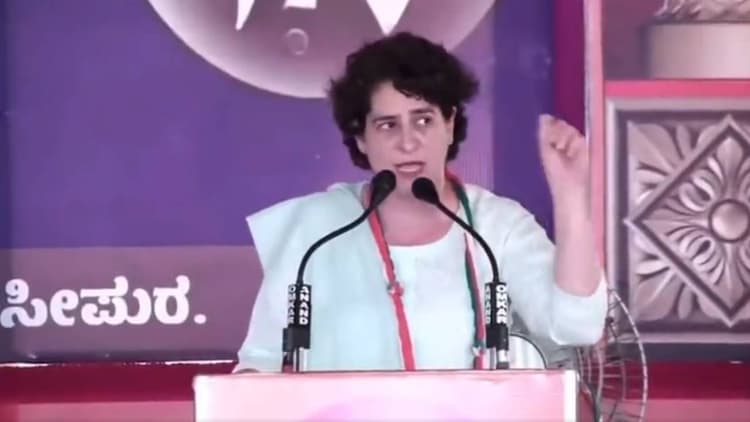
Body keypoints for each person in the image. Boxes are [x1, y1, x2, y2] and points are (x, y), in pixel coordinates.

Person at [234, 32, 607, 373]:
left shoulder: (498, 225)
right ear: (361, 138)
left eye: (424, 120)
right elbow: (259, 367)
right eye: (388, 125)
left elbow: (576, 325)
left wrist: (571, 196)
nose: (408, 142)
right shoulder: (317, 228)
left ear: (450, 124)